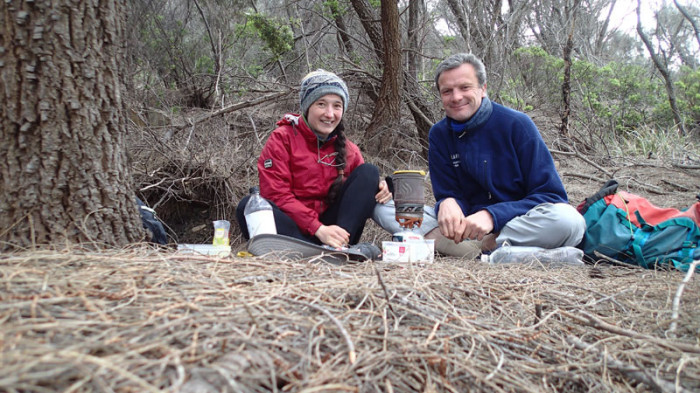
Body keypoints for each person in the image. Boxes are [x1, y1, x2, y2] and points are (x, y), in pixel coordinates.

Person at [427, 53, 586, 255]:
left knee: (569, 221)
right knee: (395, 212)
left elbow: (551, 196)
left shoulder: (517, 124)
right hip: (467, 227)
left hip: (518, 224)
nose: (456, 97)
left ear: (483, 88)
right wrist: (447, 201)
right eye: (447, 91)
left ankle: (483, 249)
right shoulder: (439, 134)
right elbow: (449, 193)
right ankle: (508, 253)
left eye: (465, 87)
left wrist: (492, 216)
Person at [236, 70, 391, 253]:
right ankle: (308, 250)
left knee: (369, 172)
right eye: (321, 104)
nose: (329, 113)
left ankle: (338, 249)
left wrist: (381, 188)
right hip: (292, 230)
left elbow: (358, 193)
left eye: (337, 106)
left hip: (336, 233)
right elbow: (276, 194)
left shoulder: (350, 150)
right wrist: (318, 229)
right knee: (247, 206)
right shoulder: (282, 139)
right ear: (307, 106)